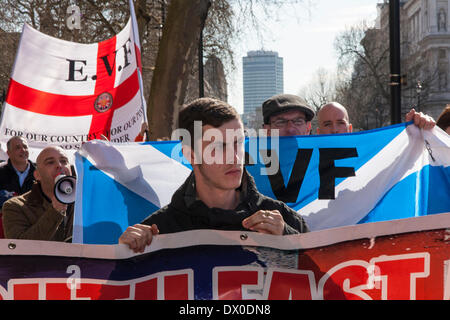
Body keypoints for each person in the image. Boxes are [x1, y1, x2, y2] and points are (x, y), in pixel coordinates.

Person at [119, 97, 309, 252]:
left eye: (239, 142)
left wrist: (289, 240)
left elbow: (325, 284)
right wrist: (124, 257)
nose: (234, 157)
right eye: (218, 146)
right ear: (190, 155)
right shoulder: (159, 232)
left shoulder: (282, 221)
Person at [2, 146, 74, 241]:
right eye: (50, 162)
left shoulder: (85, 201)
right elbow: (21, 248)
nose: (59, 165)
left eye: (64, 161)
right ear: (37, 175)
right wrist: (55, 211)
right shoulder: (15, 207)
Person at [316, 102, 435, 135]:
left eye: (340, 123)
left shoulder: (369, 158)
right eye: (327, 124)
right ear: (318, 132)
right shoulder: (306, 167)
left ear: (350, 129)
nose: (334, 129)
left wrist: (414, 132)